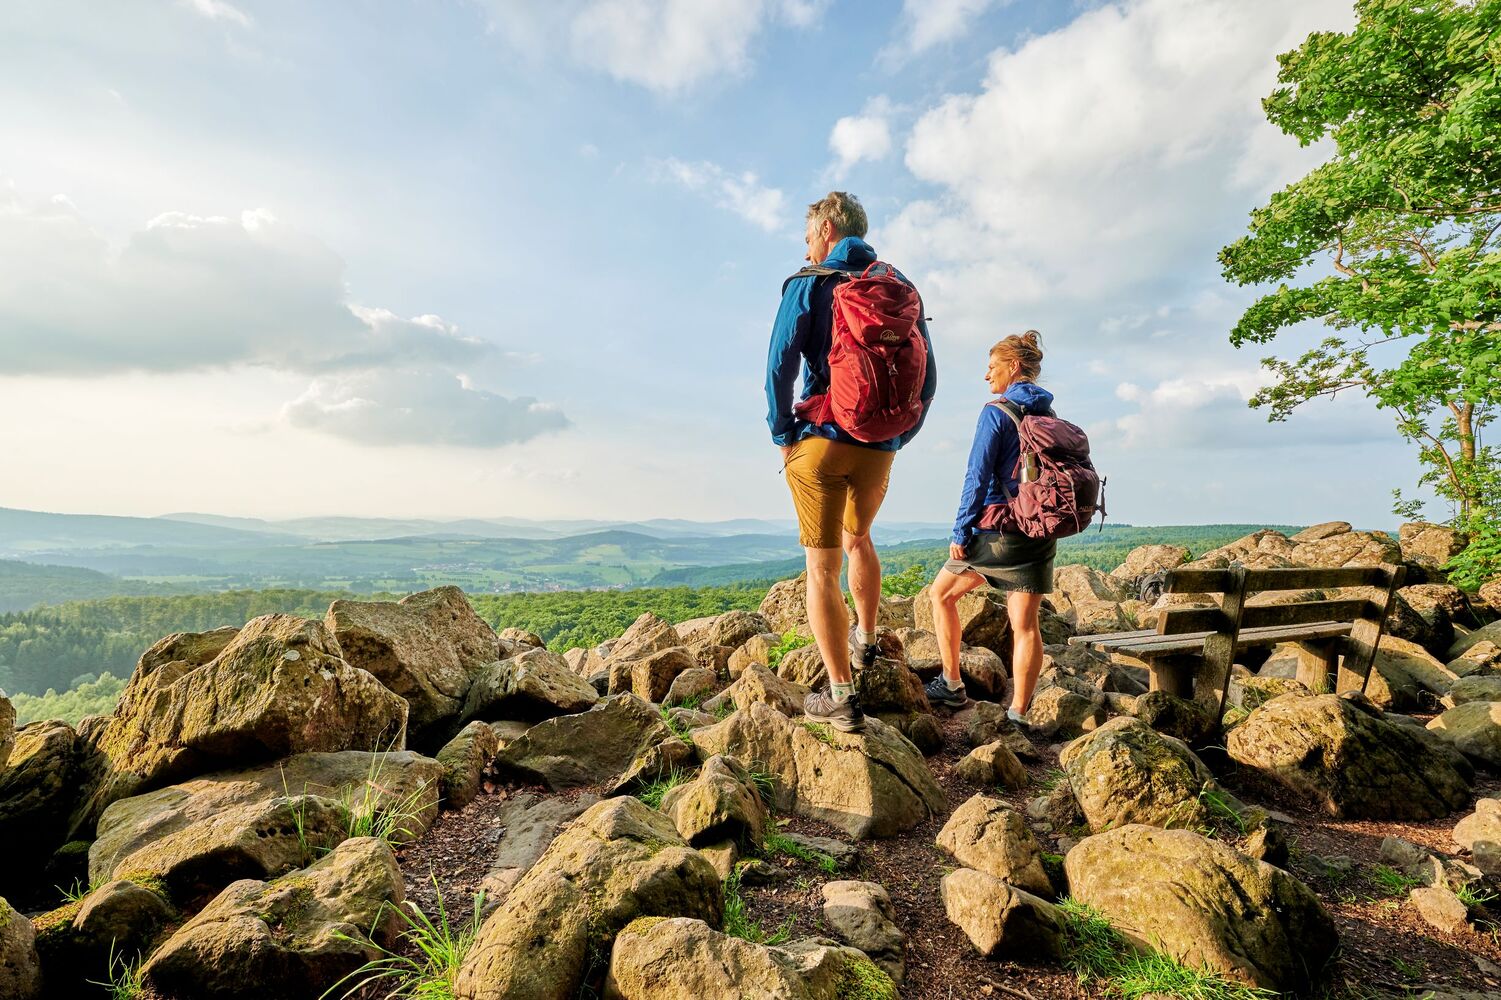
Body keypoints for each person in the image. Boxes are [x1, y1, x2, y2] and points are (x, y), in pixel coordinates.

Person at [766, 191, 937, 732]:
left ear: (828, 228)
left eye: (809, 236)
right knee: (858, 538)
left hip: (822, 440)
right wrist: (897, 436)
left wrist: (783, 434)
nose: (807, 248)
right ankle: (867, 641)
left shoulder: (809, 282)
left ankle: (841, 696)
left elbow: (779, 367)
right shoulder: (899, 285)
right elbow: (929, 379)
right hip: (878, 448)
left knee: (822, 569)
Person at [925, 331, 1053, 722]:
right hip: (1039, 529)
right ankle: (1018, 713)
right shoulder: (1048, 414)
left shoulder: (996, 412)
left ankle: (951, 684)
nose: (987, 375)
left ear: (1013, 367)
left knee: (940, 595)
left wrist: (961, 531)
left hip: (999, 532)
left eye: (992, 366)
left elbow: (976, 476)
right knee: (1025, 625)